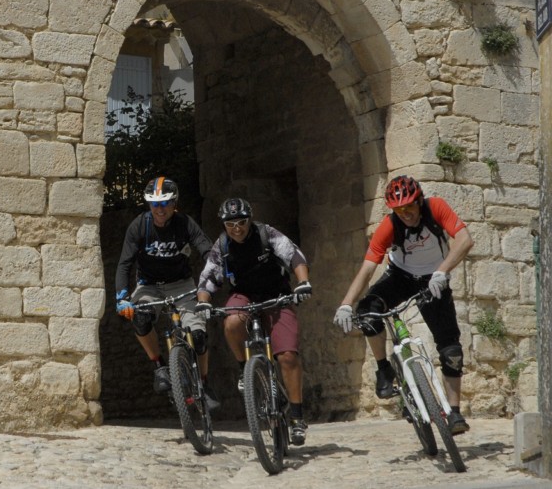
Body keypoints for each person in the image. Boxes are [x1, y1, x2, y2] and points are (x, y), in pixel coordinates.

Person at [333, 175, 474, 435]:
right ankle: (384, 369)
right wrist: (346, 304)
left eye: (409, 206)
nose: (405, 213)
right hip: (400, 277)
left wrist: (442, 272)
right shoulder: (389, 226)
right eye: (399, 210)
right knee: (368, 311)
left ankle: (454, 414)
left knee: (451, 348)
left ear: (419, 201)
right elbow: (367, 267)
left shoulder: (436, 208)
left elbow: (464, 239)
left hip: (433, 278)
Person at [197, 197, 313, 446]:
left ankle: (297, 417)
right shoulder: (223, 245)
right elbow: (209, 276)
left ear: (249, 220)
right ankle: (244, 368)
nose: (236, 228)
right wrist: (204, 301)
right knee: (231, 323)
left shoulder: (265, 233)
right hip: (244, 295)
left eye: (241, 222)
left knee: (288, 356)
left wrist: (303, 283)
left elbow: (293, 255)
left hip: (277, 295)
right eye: (230, 224)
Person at [115, 176, 218, 408]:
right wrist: (121, 297)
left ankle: (203, 382)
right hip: (148, 285)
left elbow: (206, 248)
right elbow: (124, 263)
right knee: (140, 319)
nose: (159, 209)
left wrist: (215, 270)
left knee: (199, 336)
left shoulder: (184, 223)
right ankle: (160, 367)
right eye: (154, 204)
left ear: (174, 203)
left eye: (164, 204)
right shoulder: (140, 226)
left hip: (181, 284)